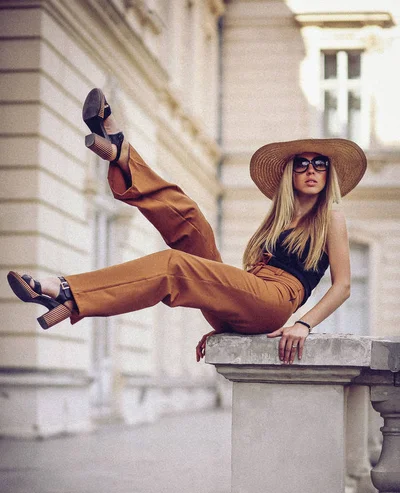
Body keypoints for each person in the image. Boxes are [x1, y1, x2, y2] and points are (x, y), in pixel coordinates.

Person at [7, 89, 367, 365]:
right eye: (302, 163)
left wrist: (303, 324)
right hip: (248, 297)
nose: (311, 170)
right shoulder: (277, 218)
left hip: (275, 302)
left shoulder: (331, 217)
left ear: (328, 173)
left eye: (320, 164)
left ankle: (67, 290)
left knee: (171, 266)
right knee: (192, 222)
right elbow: (242, 284)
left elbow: (344, 285)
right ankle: (124, 156)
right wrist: (226, 320)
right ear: (291, 173)